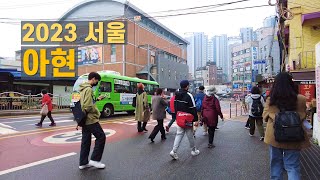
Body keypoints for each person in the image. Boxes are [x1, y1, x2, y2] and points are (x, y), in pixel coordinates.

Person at [263, 72, 310, 179]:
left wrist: (274, 116)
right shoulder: (301, 99)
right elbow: (302, 116)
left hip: (275, 136)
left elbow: (265, 116)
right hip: (294, 135)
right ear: (291, 83)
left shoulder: (271, 99)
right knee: (293, 166)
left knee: (276, 164)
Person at [79, 72, 106, 170]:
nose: (97, 83)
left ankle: (83, 163)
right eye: (97, 81)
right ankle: (95, 160)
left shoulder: (82, 89)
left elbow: (86, 102)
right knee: (101, 137)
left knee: (86, 141)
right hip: (90, 118)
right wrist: (97, 111)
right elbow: (88, 106)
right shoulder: (89, 89)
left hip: (84, 119)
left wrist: (97, 99)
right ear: (93, 79)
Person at [169, 80, 200, 160]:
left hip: (179, 118)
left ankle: (173, 151)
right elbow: (193, 108)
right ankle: (193, 150)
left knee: (179, 134)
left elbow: (175, 107)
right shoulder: (189, 95)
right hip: (188, 119)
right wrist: (196, 120)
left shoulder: (177, 95)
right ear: (187, 86)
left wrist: (177, 117)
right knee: (190, 135)